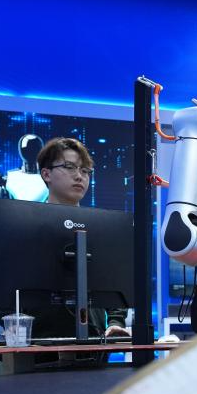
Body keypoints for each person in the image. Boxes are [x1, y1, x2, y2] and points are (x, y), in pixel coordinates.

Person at [30, 137, 130, 339]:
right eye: (69, 167)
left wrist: (115, 323)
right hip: (37, 341)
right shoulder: (27, 226)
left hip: (92, 339)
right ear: (46, 174)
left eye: (85, 171)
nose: (79, 176)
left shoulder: (101, 228)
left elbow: (114, 283)